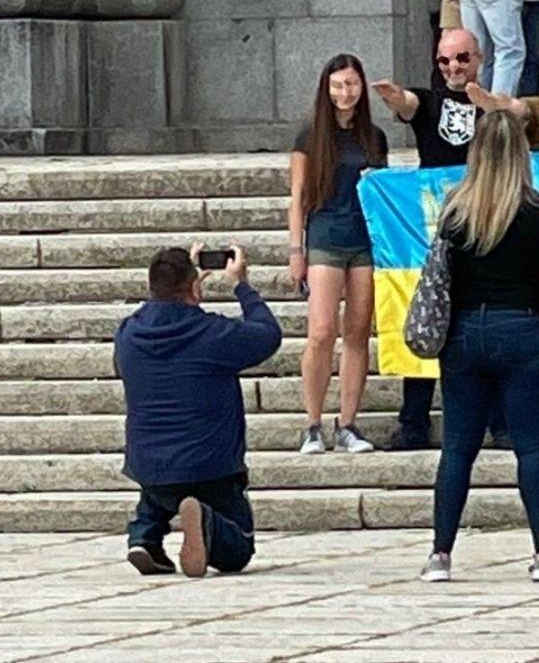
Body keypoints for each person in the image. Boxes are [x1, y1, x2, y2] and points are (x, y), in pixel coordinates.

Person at [420, 110, 539, 583]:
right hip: (520, 329)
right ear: (521, 153)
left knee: (457, 449)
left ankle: (440, 555)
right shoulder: (537, 210)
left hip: (462, 335)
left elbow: (445, 279)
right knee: (532, 450)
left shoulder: (455, 208)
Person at [373, 29, 507, 451]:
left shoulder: (493, 107)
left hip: (485, 229)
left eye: (462, 58)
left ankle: (499, 420)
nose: (453, 67)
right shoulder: (429, 103)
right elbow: (409, 105)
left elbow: (520, 118)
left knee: (486, 321)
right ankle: (413, 420)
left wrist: (495, 107)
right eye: (445, 60)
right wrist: (394, 98)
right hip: (432, 233)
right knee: (425, 316)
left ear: (479, 58)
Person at [117, 245, 282, 578]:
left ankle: (144, 537)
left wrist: (186, 280)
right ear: (195, 287)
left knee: (156, 492)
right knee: (239, 546)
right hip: (211, 467)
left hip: (151, 466)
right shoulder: (214, 333)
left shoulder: (128, 333)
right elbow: (268, 334)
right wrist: (242, 286)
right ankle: (206, 523)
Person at [288, 54, 388, 455]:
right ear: (326, 90)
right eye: (338, 85)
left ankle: (348, 422)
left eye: (351, 84)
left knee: (359, 331)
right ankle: (312, 422)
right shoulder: (310, 137)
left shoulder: (373, 137)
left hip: (364, 237)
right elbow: (297, 197)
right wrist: (296, 248)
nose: (345, 92)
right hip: (326, 232)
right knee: (322, 330)